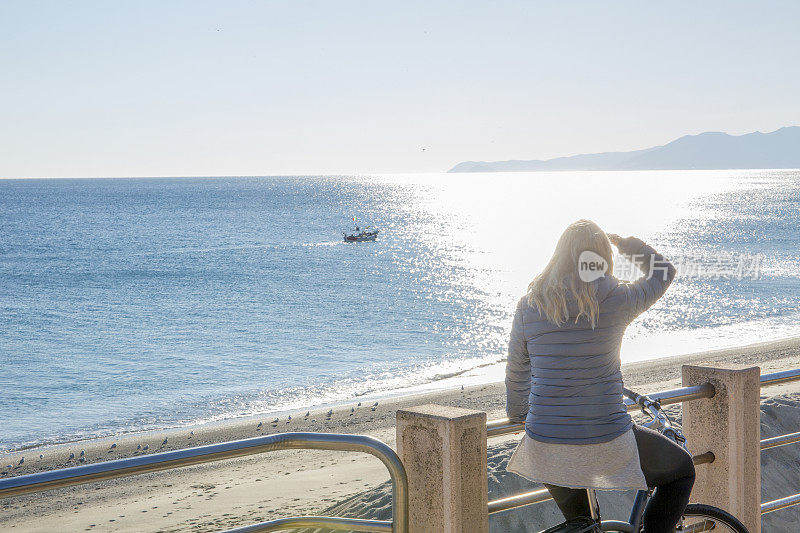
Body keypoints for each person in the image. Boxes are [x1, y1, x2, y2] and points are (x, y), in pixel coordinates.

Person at [504, 219, 694, 533]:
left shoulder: (529, 306)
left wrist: (518, 414)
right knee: (682, 471)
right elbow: (663, 272)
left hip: (546, 443)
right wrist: (626, 243)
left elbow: (517, 372)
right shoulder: (618, 299)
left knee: (583, 526)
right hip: (606, 440)